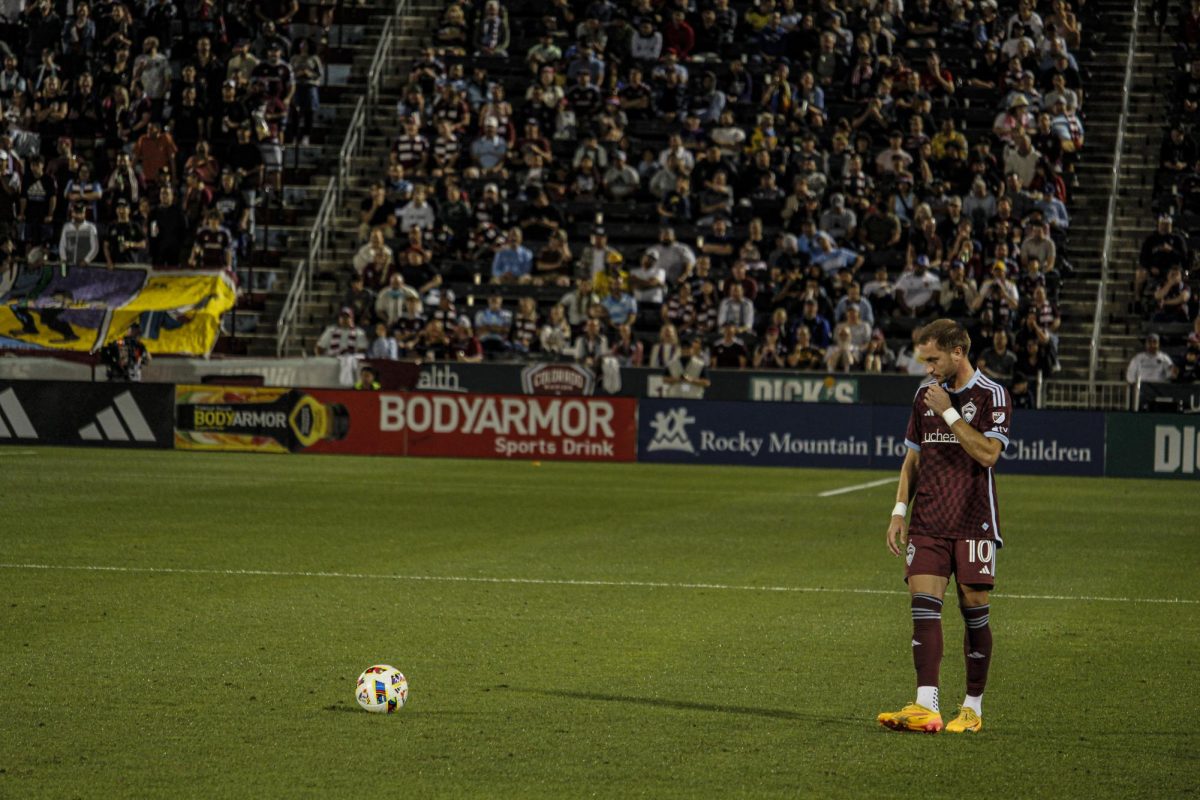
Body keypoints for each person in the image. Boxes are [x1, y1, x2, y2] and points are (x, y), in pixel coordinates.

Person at [880, 319, 1013, 735]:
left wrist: (950, 411)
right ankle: (926, 705)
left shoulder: (992, 394)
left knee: (974, 612)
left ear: (958, 353)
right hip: (929, 520)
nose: (929, 369)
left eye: (934, 359)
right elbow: (913, 459)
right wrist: (900, 509)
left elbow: (988, 454)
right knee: (923, 607)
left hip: (974, 520)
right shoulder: (924, 396)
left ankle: (972, 706)